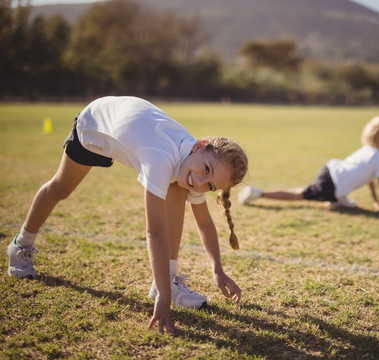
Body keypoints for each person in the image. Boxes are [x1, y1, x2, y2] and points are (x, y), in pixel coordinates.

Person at [6, 96, 248, 334]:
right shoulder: (161, 157)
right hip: (96, 126)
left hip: (131, 129)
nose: (201, 182)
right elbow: (154, 231)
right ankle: (21, 245)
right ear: (198, 145)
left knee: (178, 188)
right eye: (206, 170)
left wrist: (217, 269)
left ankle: (167, 281)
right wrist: (163, 298)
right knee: (60, 189)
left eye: (211, 186)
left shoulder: (191, 165)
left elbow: (204, 223)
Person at [238, 116, 379, 211]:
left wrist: (375, 202)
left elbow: (369, 179)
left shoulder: (366, 150)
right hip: (333, 185)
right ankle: (259, 193)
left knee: (308, 192)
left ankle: (337, 199)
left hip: (331, 170)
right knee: (300, 194)